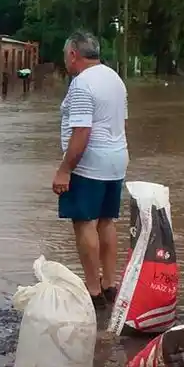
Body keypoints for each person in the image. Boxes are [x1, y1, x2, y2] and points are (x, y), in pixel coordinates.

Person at [51, 31, 128, 308]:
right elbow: (121, 124)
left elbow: (82, 131)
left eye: (65, 57)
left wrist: (64, 170)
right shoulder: (114, 78)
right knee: (107, 221)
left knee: (85, 223)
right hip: (116, 159)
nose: (65, 63)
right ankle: (109, 284)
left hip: (89, 164)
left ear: (73, 54)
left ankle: (93, 291)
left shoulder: (82, 84)